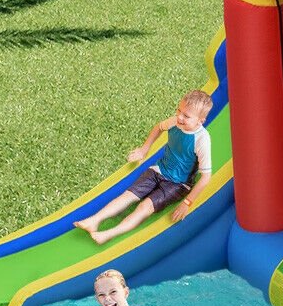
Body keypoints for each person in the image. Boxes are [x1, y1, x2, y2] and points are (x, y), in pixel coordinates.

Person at [74, 89, 213, 245]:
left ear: (201, 121)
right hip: (159, 170)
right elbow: (159, 127)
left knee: (143, 207)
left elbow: (206, 177)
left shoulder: (201, 140)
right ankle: (95, 220)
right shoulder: (175, 122)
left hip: (178, 184)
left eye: (186, 116)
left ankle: (108, 234)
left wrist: (187, 203)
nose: (179, 117)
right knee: (127, 196)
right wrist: (144, 149)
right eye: (179, 110)